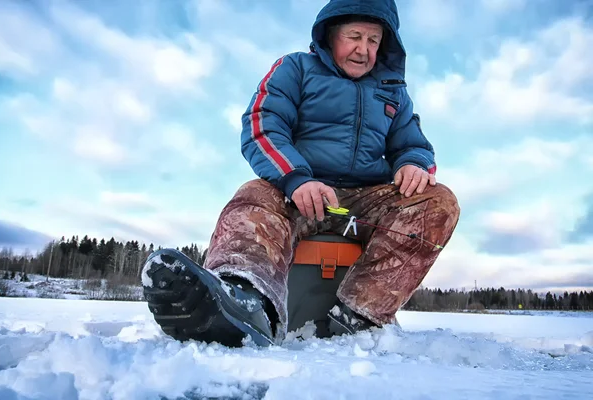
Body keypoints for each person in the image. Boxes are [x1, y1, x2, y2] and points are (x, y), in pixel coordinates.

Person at [141, 0, 460, 347]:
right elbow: (263, 124)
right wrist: (297, 179)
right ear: (330, 35)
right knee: (254, 195)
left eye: (373, 40)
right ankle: (245, 299)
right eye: (354, 36)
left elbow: (413, 144)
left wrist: (413, 163)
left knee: (439, 202)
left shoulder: (393, 91)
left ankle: (359, 317)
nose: (363, 49)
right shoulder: (295, 68)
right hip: (297, 192)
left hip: (366, 204)